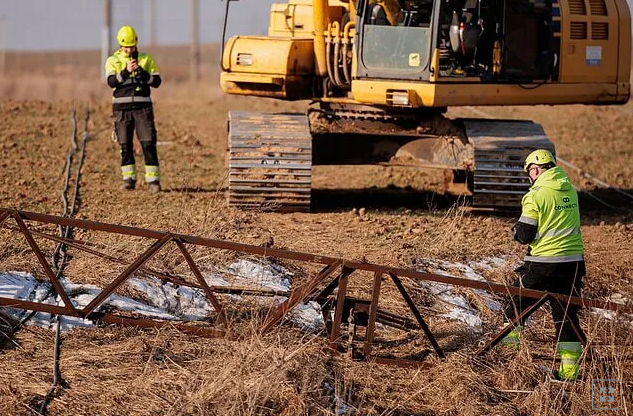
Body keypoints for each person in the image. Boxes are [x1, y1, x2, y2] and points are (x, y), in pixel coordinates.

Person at [502, 149, 586, 381]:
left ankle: (510, 360)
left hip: (542, 265)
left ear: (535, 170)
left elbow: (526, 234)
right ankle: (569, 374)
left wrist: (516, 232)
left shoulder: (535, 195)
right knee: (566, 318)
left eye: (530, 172)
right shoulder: (570, 190)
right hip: (573, 265)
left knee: (513, 308)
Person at [105, 25, 162, 192]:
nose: (129, 49)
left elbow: (157, 82)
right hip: (121, 109)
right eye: (126, 46)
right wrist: (126, 71)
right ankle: (128, 180)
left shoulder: (146, 59)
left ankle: (153, 182)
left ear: (136, 43)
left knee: (148, 143)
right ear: (120, 46)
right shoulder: (112, 60)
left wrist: (142, 72)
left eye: (131, 46)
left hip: (143, 108)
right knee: (125, 144)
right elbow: (111, 82)